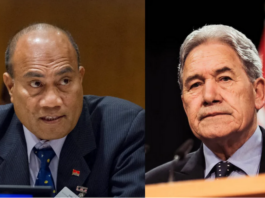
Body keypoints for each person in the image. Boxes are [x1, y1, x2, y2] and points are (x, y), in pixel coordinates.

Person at [0, 23, 145, 197]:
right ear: (10, 87)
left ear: (80, 78)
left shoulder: (124, 130)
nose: (52, 101)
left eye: (65, 81)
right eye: (36, 84)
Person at [146, 24, 265, 184]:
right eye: (195, 84)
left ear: (258, 93)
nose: (209, 96)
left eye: (225, 78)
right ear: (184, 105)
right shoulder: (156, 185)